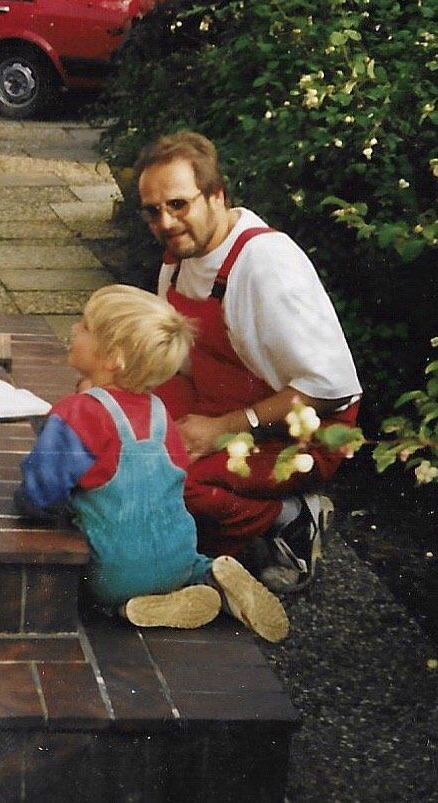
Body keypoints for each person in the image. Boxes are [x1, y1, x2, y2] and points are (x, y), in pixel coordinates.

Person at [134, 131, 361, 593]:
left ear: (217, 195)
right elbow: (176, 360)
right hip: (223, 401)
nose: (167, 221)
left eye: (179, 204)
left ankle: (291, 519)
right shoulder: (179, 258)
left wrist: (223, 429)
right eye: (153, 211)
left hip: (303, 431)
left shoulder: (264, 263)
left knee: (176, 482)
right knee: (124, 440)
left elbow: (333, 387)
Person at [15, 285, 289, 642]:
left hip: (114, 572)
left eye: (83, 326)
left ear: (113, 357)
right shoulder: (161, 413)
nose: (73, 330)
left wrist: (28, 507)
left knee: (93, 588)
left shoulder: (78, 411)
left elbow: (41, 490)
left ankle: (126, 606)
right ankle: (209, 578)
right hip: (179, 552)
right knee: (179, 558)